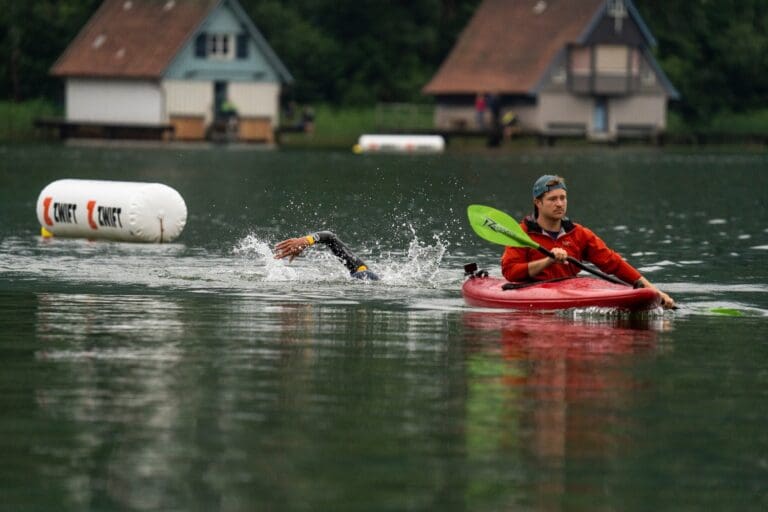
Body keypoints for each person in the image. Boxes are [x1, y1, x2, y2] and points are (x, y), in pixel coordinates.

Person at [501, 175, 675, 309]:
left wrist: (655, 292)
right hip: (532, 291)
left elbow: (613, 263)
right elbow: (510, 272)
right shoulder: (521, 233)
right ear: (537, 202)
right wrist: (548, 261)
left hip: (568, 291)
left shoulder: (579, 234)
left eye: (563, 198)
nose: (560, 204)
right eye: (553, 199)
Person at [274, 231, 379, 280]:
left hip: (366, 279)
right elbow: (329, 237)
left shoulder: (365, 275)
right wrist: (307, 240)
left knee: (365, 275)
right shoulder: (361, 270)